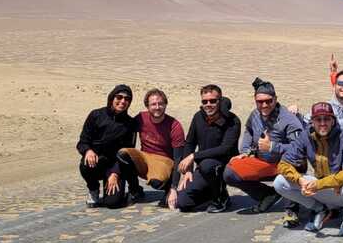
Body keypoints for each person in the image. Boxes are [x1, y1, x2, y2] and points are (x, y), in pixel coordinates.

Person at [273, 102, 343, 235]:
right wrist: (300, 181)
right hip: (319, 188)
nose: (322, 123)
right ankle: (319, 209)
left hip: (339, 190)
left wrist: (320, 184)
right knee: (279, 182)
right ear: (312, 122)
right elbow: (283, 164)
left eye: (326, 119)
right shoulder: (305, 136)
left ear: (333, 121)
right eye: (318, 119)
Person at [223, 78, 304, 214]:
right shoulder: (255, 114)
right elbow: (248, 130)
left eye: (269, 101)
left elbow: (299, 149)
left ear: (275, 99)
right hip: (263, 162)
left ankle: (292, 208)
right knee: (230, 172)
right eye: (260, 102)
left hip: (286, 163)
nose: (264, 105)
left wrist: (272, 146)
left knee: (294, 165)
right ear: (255, 101)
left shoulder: (288, 119)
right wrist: (245, 151)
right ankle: (267, 195)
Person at [173, 84, 241, 213]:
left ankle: (221, 198)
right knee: (183, 203)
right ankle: (212, 193)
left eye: (213, 101)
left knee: (207, 165)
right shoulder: (198, 116)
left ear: (220, 101)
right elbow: (190, 143)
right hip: (204, 167)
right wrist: (188, 170)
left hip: (226, 165)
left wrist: (194, 156)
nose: (208, 104)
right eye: (204, 101)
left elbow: (225, 149)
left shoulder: (232, 120)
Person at [116, 88, 184, 206]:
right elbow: (125, 129)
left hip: (164, 160)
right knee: (123, 153)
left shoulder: (175, 125)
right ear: (147, 106)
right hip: (145, 156)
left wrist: (173, 188)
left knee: (156, 182)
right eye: (153, 104)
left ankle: (167, 189)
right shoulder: (141, 118)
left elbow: (178, 158)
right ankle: (135, 190)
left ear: (165, 105)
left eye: (160, 104)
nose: (157, 107)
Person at [76, 84, 136, 209]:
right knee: (86, 164)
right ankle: (93, 189)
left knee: (112, 203)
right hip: (97, 163)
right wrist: (88, 151)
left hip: (115, 166)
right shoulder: (96, 115)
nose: (122, 101)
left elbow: (127, 154)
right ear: (111, 98)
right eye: (119, 97)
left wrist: (115, 173)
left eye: (127, 99)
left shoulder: (130, 124)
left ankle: (131, 191)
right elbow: (83, 141)